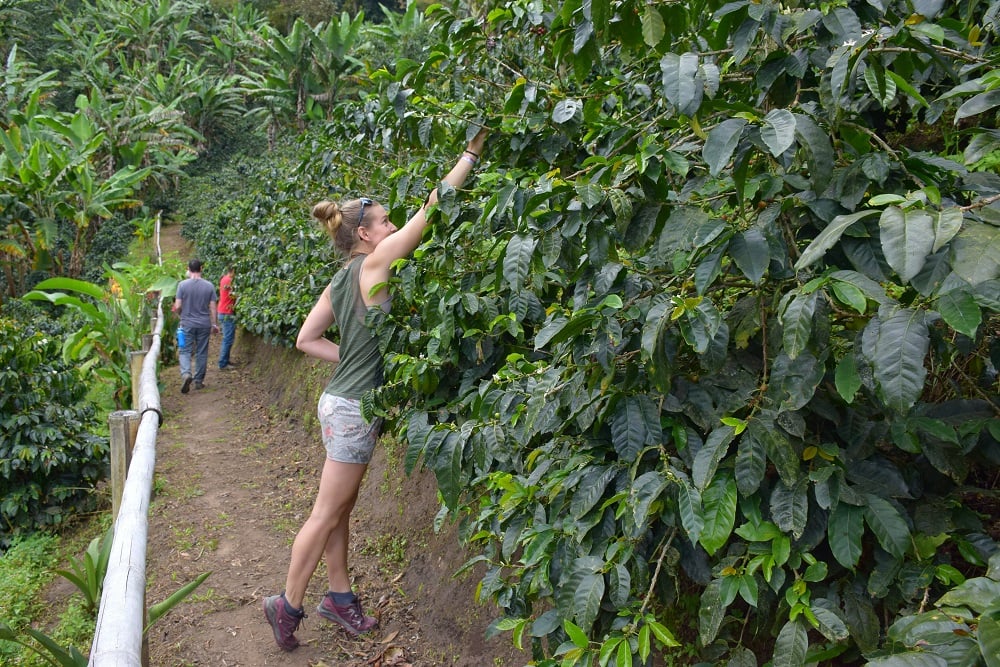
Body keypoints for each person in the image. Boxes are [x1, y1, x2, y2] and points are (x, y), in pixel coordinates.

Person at [262, 127, 489, 651]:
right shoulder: (376, 263)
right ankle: (287, 605)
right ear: (365, 234)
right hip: (354, 410)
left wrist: (356, 358)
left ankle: (338, 598)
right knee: (326, 512)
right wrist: (470, 153)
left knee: (338, 508)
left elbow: (305, 338)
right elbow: (432, 210)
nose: (391, 225)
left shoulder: (341, 279)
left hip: (337, 401)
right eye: (385, 220)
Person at [172, 259, 219, 393]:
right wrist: (214, 324)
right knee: (201, 352)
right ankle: (198, 381)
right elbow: (213, 307)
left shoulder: (182, 285)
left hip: (187, 323)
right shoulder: (209, 286)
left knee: (185, 350)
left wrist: (181, 314)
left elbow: (178, 305)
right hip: (204, 323)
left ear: (188, 269)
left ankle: (186, 374)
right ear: (201, 268)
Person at [217, 266, 237, 370]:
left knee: (228, 338)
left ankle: (225, 360)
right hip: (226, 312)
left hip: (223, 311)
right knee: (228, 339)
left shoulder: (224, 278)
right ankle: (223, 363)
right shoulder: (228, 280)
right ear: (232, 271)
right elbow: (232, 294)